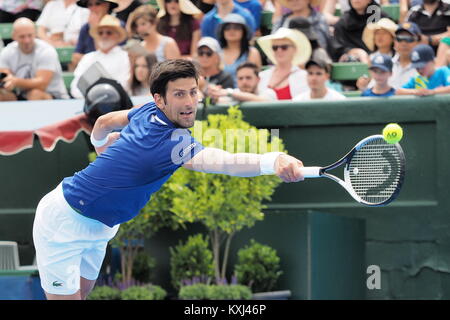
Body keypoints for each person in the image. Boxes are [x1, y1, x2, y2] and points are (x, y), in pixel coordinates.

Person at [32, 59, 306, 300]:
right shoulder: (169, 142)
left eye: (192, 92)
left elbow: (104, 122)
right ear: (160, 99)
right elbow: (224, 162)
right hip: (64, 221)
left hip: (101, 229)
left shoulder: (145, 112)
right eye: (178, 94)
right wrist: (273, 161)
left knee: (81, 294)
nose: (189, 102)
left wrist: (101, 145)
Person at [0, 18, 69, 101]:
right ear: (14, 36)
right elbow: (6, 77)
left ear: (35, 34)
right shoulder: (7, 51)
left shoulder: (47, 51)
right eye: (22, 37)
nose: (27, 40)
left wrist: (15, 81)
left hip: (53, 96)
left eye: (30, 35)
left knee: (35, 94)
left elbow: (42, 84)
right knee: (3, 96)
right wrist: (7, 83)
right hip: (22, 95)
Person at [70, 15, 130, 98]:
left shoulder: (125, 57)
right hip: (88, 102)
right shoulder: (88, 57)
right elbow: (76, 85)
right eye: (100, 33)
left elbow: (125, 84)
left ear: (118, 36)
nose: (104, 36)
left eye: (109, 33)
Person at [357, 22, 421, 91]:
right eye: (399, 38)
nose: (403, 43)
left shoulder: (425, 67)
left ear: (418, 42)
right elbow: (373, 92)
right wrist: (363, 87)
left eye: (409, 39)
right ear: (394, 42)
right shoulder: (385, 66)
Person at [256, 27, 311, 100]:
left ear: (295, 49)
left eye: (284, 47)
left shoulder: (304, 77)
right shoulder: (262, 76)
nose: (279, 50)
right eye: (275, 47)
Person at [71, 0, 119, 70]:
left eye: (97, 4)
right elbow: (75, 57)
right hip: (88, 70)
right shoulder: (85, 28)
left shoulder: (117, 26)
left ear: (107, 5)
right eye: (90, 4)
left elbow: (105, 56)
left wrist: (95, 28)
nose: (93, 8)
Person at [216, 14, 262, 84]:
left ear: (243, 31)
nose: (231, 30)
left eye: (236, 28)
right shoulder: (217, 53)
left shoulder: (252, 53)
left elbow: (256, 79)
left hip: (246, 92)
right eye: (227, 28)